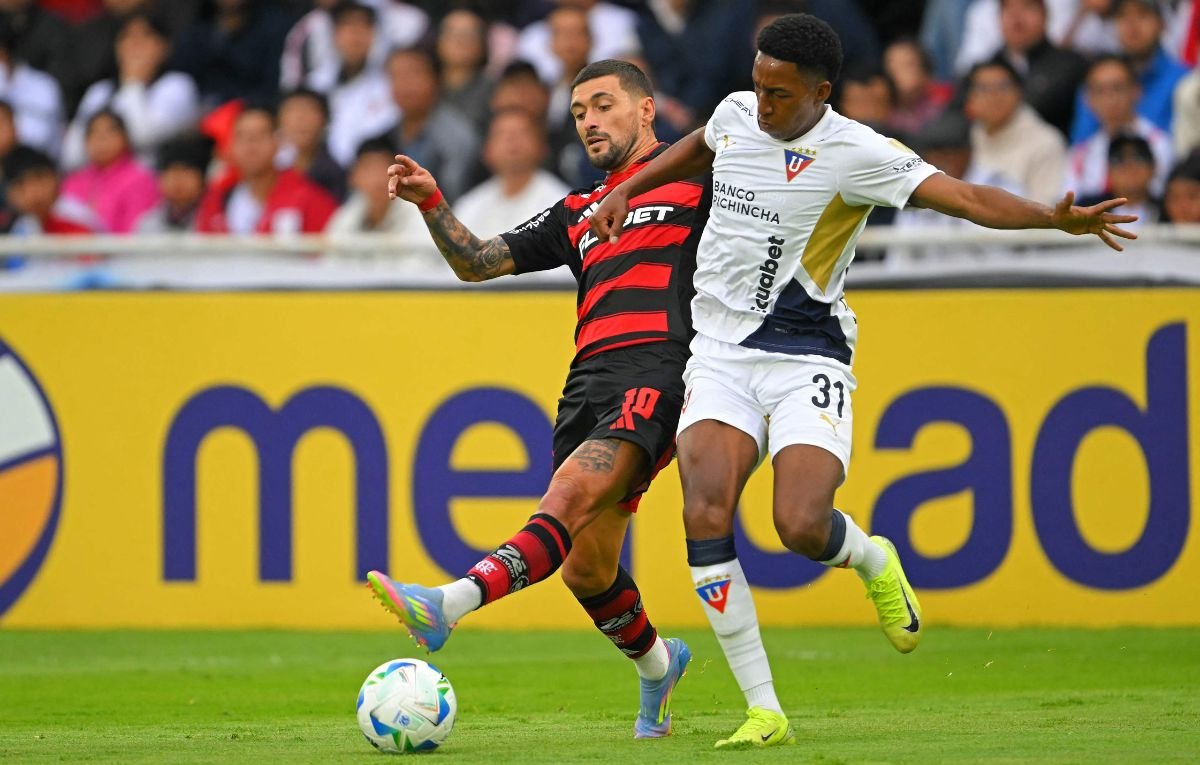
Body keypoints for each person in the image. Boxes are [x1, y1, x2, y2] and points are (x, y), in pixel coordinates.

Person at [588, 13, 1136, 748]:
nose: (763, 104)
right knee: (705, 508)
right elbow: (699, 146)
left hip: (805, 353)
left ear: (820, 92)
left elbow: (966, 198)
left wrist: (1049, 217)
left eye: (779, 94)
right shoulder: (737, 114)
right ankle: (764, 708)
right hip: (718, 353)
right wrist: (629, 187)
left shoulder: (858, 151)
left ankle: (872, 558)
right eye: (757, 86)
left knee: (799, 524)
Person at [367, 59, 710, 740]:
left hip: (660, 370)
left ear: (646, 110)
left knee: (566, 499)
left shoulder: (698, 180)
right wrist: (434, 202)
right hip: (587, 383)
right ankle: (659, 665)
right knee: (586, 564)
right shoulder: (579, 210)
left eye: (604, 105)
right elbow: (477, 262)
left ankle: (448, 601)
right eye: (579, 110)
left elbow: (758, 156)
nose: (588, 121)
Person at [194, 103, 338, 234]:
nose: (250, 146)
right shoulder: (215, 201)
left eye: (259, 136)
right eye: (241, 137)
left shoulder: (311, 200)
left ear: (278, 142)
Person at [1065, 55, 1173, 199]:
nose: (1110, 98)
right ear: (1088, 99)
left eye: (1117, 88)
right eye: (1100, 90)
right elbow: (1068, 203)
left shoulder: (1160, 145)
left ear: (1136, 91)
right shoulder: (1081, 154)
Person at [453, 108, 570, 237]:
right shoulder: (468, 206)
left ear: (542, 147)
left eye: (522, 133)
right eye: (501, 134)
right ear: (486, 151)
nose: (511, 140)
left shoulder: (561, 204)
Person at [964, 58, 1066, 205]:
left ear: (1019, 92)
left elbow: (1046, 210)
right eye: (983, 89)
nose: (994, 96)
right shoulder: (972, 134)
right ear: (970, 99)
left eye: (1003, 87)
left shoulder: (1046, 143)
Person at [60, 108, 159, 233]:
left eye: (109, 133)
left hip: (123, 250)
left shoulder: (140, 179)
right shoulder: (73, 181)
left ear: (125, 138)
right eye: (95, 134)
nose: (102, 141)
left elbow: (136, 231)